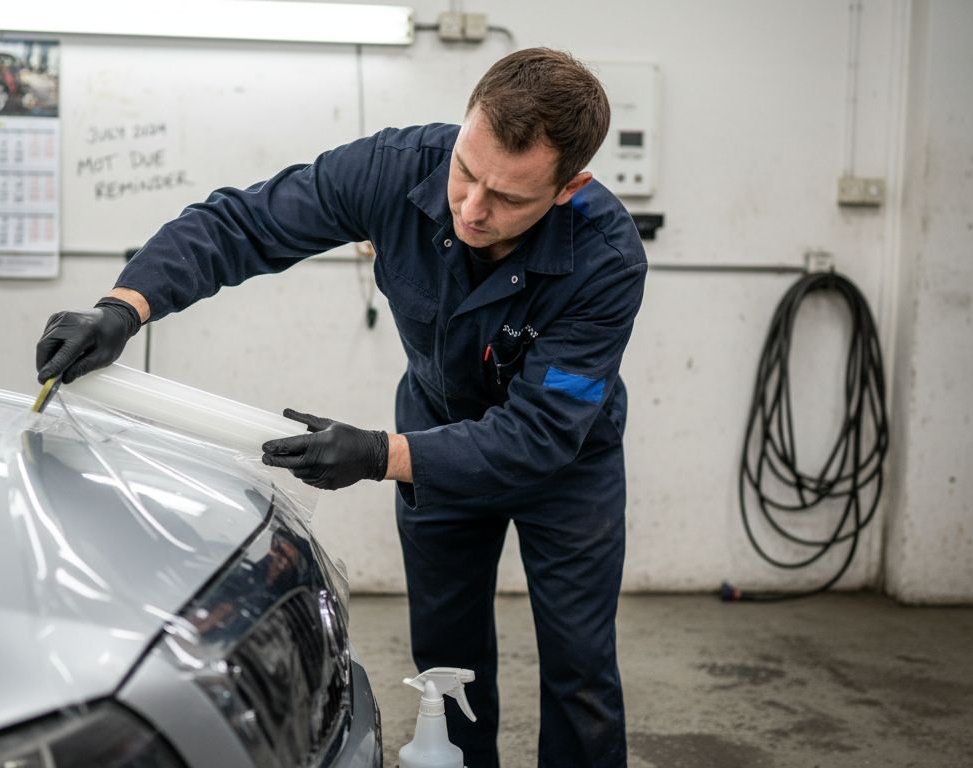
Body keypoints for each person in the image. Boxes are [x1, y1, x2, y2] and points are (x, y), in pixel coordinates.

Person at [35, 47, 646, 768]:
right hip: (435, 432)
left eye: (509, 198)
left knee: (580, 669)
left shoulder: (605, 258)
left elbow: (538, 434)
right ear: (463, 128)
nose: (473, 209)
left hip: (564, 465)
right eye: (466, 173)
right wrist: (124, 308)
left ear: (569, 188)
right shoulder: (394, 169)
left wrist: (379, 455)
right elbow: (242, 225)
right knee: (448, 661)